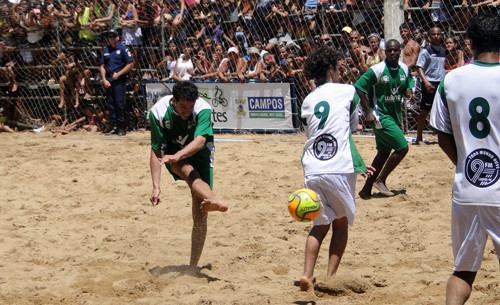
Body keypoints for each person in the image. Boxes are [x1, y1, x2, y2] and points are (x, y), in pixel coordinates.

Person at [429, 13, 500, 305]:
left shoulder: (451, 80)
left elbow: (441, 133)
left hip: (467, 186)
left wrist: (464, 163)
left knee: (464, 270)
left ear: (469, 43)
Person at [298, 46, 374, 292]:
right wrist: (359, 164)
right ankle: (330, 278)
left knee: (319, 225)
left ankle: (307, 275)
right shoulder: (348, 91)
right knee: (340, 224)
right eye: (338, 67)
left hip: (313, 166)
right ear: (331, 68)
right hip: (339, 166)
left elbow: (314, 133)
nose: (341, 71)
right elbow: (348, 133)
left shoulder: (308, 100)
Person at [149, 80, 228, 267]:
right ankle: (216, 200)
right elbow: (155, 150)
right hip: (173, 154)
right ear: (173, 101)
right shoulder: (158, 111)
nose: (186, 111)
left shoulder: (202, 109)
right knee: (187, 170)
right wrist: (156, 186)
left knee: (200, 213)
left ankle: (193, 267)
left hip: (200, 153)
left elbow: (200, 141)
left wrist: (178, 155)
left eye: (190, 106)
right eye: (182, 106)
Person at [355, 39, 415, 199]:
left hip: (393, 115)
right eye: (389, 51)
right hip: (380, 115)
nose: (393, 53)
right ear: (385, 52)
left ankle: (366, 189)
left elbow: (407, 85)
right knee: (402, 148)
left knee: (383, 152)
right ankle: (381, 179)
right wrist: (367, 111)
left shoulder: (404, 69)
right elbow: (359, 88)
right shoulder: (377, 70)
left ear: (400, 51)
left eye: (395, 50)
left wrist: (409, 93)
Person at [100, 29, 134, 136]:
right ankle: (113, 126)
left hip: (119, 79)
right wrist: (104, 79)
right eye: (110, 37)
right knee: (111, 103)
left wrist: (119, 74)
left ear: (118, 37)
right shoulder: (106, 51)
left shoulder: (123, 49)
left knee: (119, 103)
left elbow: (130, 64)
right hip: (109, 79)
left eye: (113, 36)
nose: (111, 38)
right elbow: (102, 66)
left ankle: (121, 126)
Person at [415, 26, 445, 145]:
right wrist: (426, 82)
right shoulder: (426, 51)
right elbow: (419, 67)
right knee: (424, 111)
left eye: (438, 34)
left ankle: (442, 137)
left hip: (441, 83)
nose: (436, 36)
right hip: (430, 83)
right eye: (434, 34)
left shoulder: (443, 51)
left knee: (442, 112)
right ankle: (419, 138)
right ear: (429, 36)